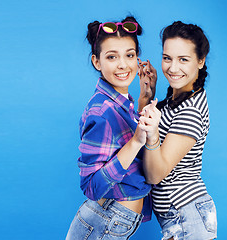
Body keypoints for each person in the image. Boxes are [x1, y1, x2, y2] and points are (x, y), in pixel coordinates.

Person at [66, 16, 157, 239]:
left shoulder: (121, 103)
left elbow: (124, 149)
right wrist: (136, 141)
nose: (123, 64)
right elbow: (92, 188)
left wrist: (145, 97)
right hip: (100, 222)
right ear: (97, 62)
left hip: (113, 220)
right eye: (111, 57)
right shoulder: (102, 111)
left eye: (130, 55)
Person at [139, 21, 217, 239]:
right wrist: (146, 96)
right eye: (167, 58)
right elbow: (140, 138)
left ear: (200, 61)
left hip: (186, 216)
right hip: (180, 216)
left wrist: (153, 134)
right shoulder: (176, 100)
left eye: (183, 59)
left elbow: (155, 175)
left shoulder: (190, 111)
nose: (173, 68)